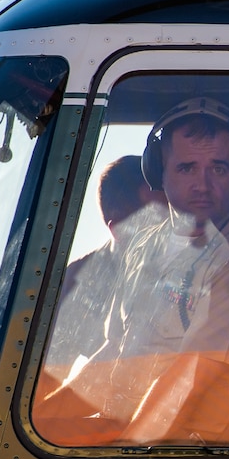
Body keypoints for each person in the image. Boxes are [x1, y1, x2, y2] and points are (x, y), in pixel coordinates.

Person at [68, 99, 229, 431]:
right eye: (187, 168)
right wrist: (42, 419)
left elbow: (188, 385)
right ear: (157, 172)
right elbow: (113, 353)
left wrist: (120, 453)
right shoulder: (148, 243)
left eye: (218, 168)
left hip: (183, 457)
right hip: (123, 433)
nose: (203, 185)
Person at [47, 155, 167, 367]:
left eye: (172, 213)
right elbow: (45, 374)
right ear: (120, 229)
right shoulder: (78, 284)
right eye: (156, 219)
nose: (172, 227)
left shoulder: (206, 260)